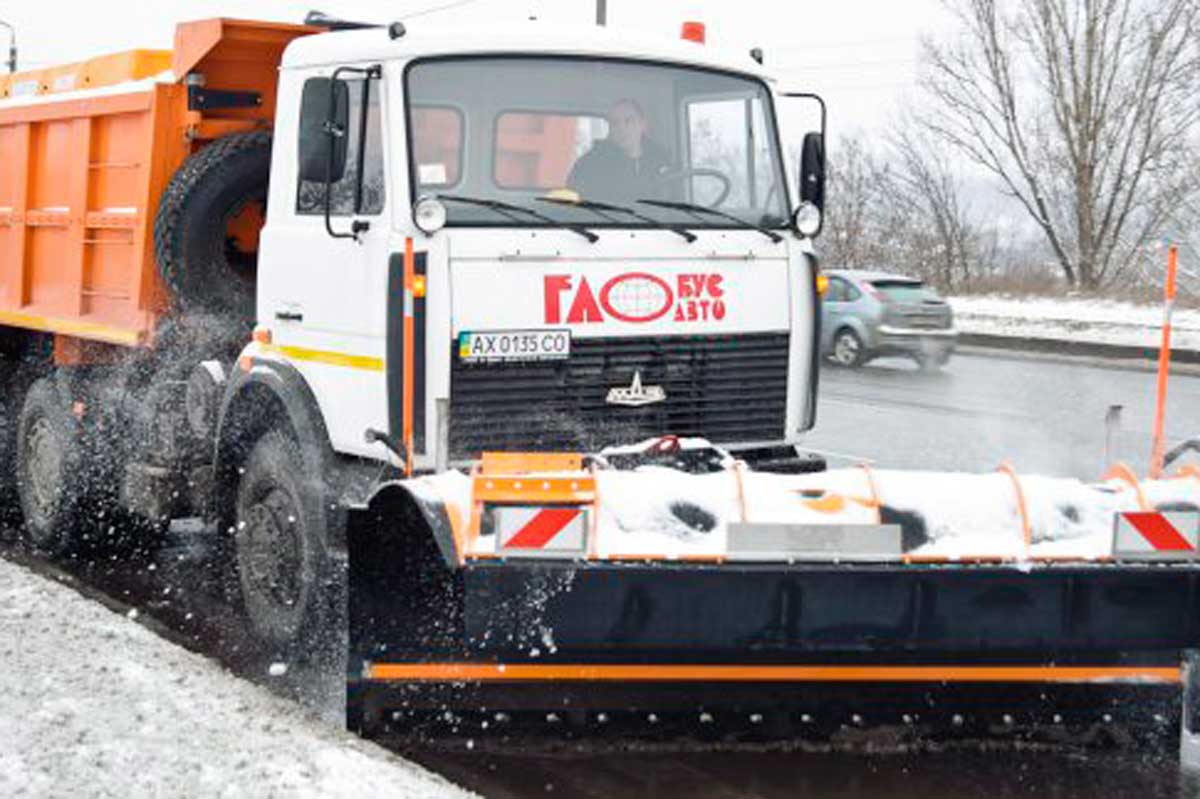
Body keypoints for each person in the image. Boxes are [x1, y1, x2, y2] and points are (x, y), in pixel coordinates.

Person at [567, 99, 674, 203]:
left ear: (643, 124)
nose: (621, 128)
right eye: (615, 123)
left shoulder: (662, 161)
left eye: (629, 120)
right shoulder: (589, 165)